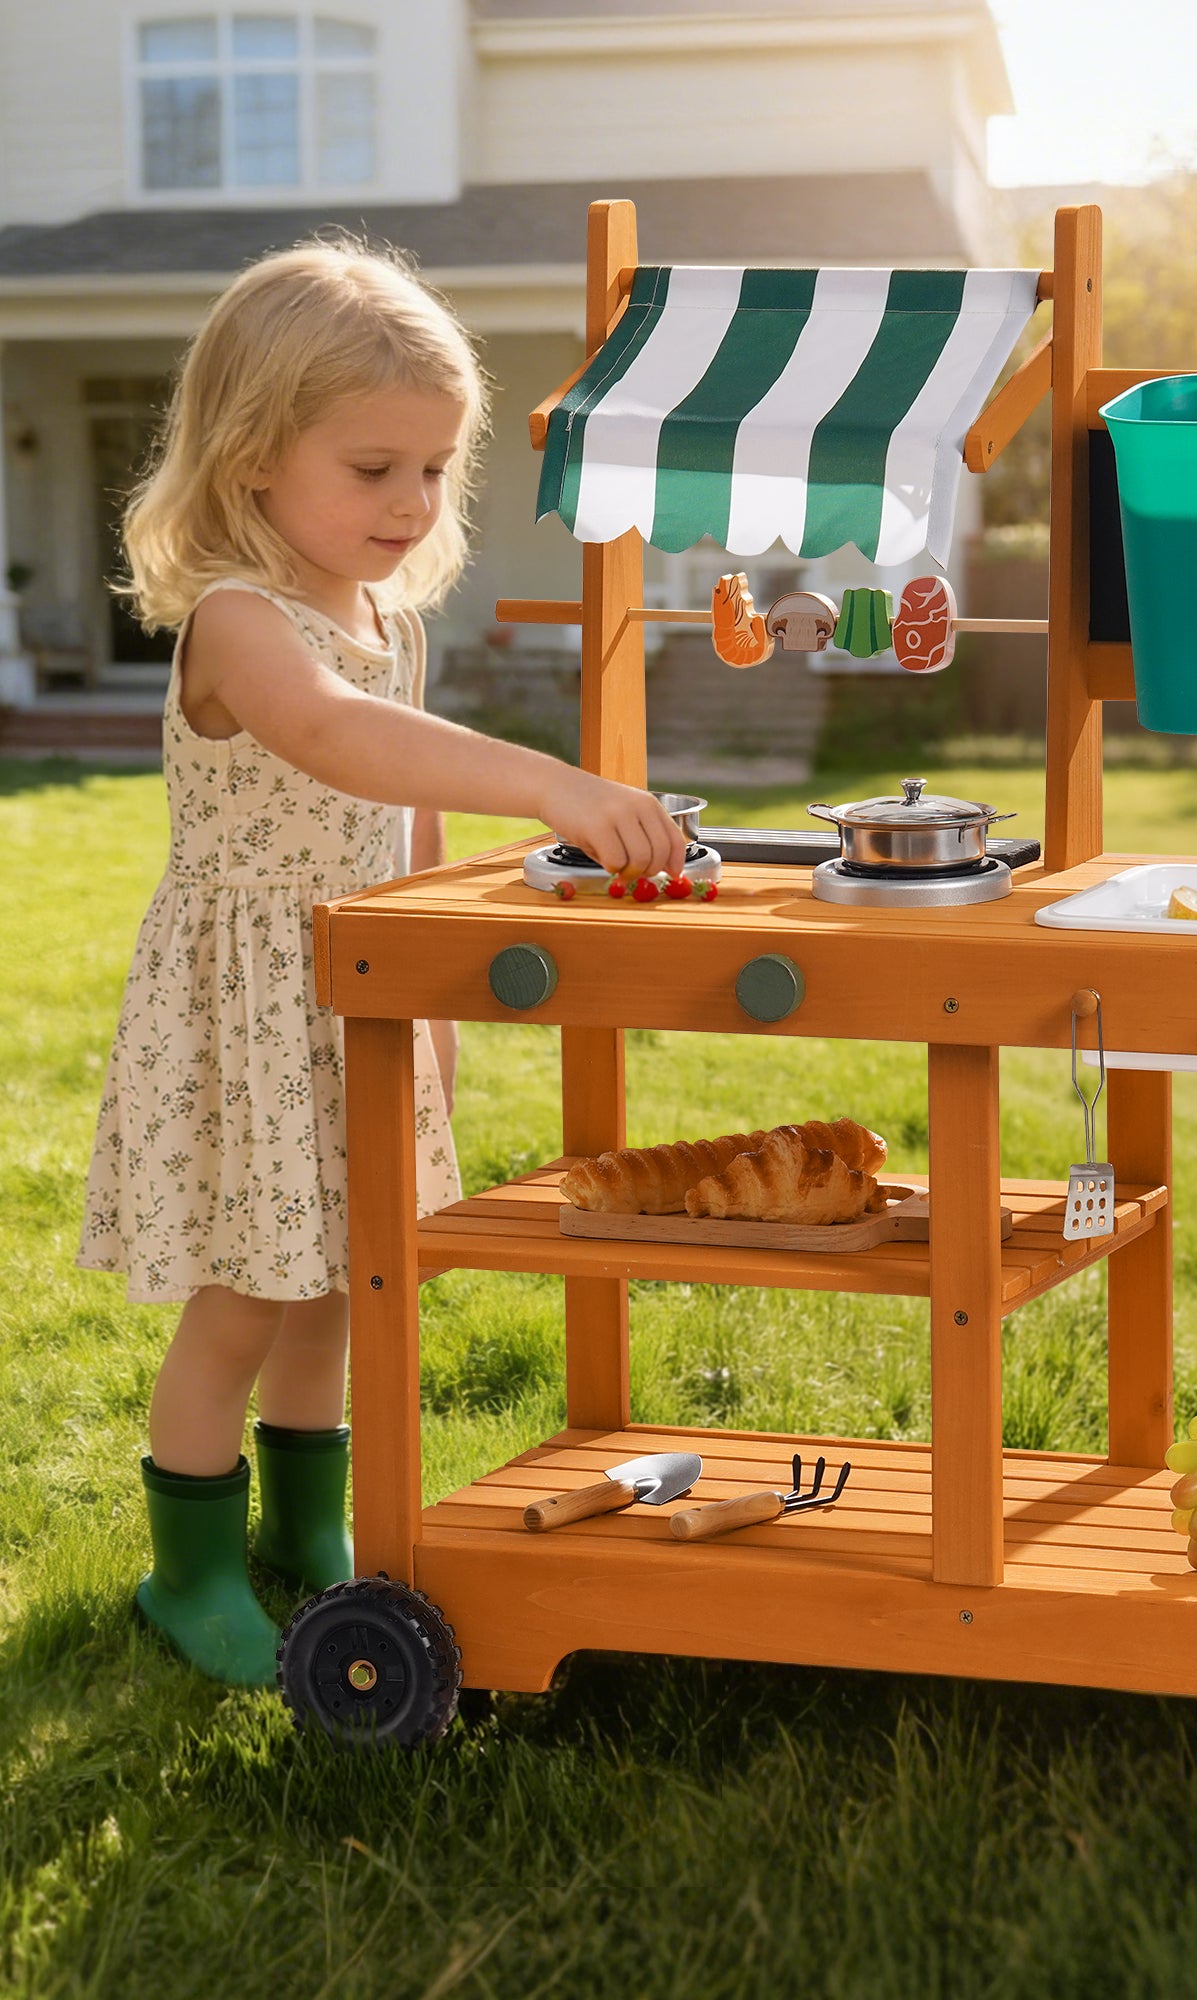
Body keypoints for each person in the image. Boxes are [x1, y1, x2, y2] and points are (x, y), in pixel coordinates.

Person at [77, 239, 685, 1686]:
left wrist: (433, 1001)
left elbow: (400, 825)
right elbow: (338, 740)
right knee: (247, 1291)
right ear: (247, 463)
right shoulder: (240, 623)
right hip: (249, 1004)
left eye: (434, 470)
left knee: (343, 1281)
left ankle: (305, 1527)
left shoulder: (388, 621)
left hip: (357, 1003)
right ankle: (194, 1573)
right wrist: (548, 782)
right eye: (374, 471)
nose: (413, 506)